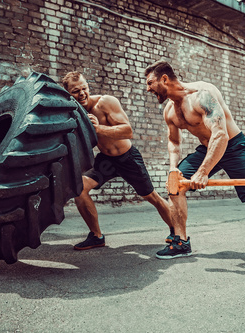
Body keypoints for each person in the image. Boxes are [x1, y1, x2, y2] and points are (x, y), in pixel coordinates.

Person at [144, 60, 245, 263]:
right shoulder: (169, 111)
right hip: (206, 148)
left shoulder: (202, 94)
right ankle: (181, 241)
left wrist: (204, 171)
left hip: (232, 147)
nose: (148, 88)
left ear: (164, 79)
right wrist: (172, 169)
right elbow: (174, 142)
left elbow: (220, 135)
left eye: (150, 83)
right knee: (175, 186)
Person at [62, 71, 173, 250]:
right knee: (80, 189)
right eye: (76, 91)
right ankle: (97, 236)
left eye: (84, 88)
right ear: (68, 94)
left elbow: (127, 131)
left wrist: (98, 129)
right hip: (106, 160)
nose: (82, 94)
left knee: (151, 197)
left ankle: (177, 232)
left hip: (127, 157)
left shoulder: (105, 102)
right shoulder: (75, 113)